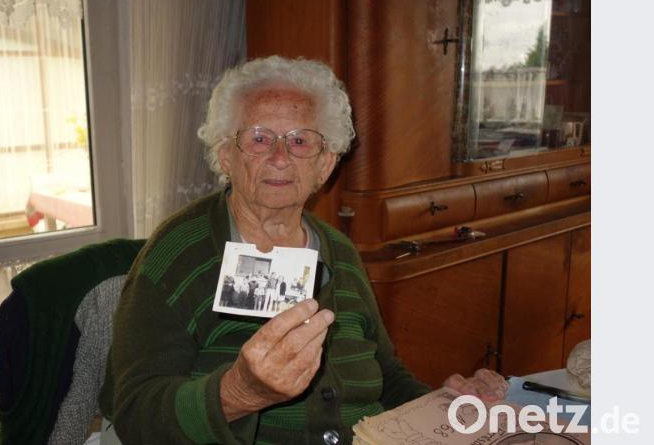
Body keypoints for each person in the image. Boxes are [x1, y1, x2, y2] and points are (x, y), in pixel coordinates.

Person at [99, 55, 508, 444]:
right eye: (259, 139)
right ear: (226, 155)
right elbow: (134, 411)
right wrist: (239, 392)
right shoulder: (181, 252)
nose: (280, 157)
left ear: (325, 164)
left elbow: (388, 376)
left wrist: (445, 407)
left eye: (300, 141)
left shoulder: (340, 253)